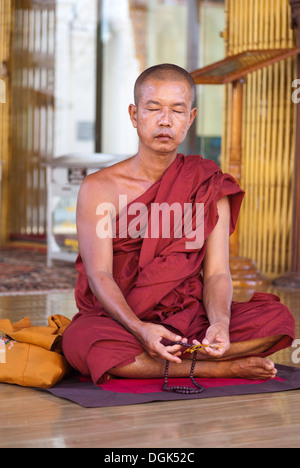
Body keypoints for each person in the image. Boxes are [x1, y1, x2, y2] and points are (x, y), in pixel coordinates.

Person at [62, 64, 295, 385]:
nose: (165, 120)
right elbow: (99, 274)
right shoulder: (99, 188)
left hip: (188, 317)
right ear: (134, 114)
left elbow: (216, 273)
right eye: (153, 108)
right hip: (119, 320)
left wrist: (220, 324)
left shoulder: (208, 184)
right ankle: (217, 367)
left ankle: (168, 357)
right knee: (85, 341)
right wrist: (140, 328)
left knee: (277, 320)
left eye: (177, 110)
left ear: (191, 118)